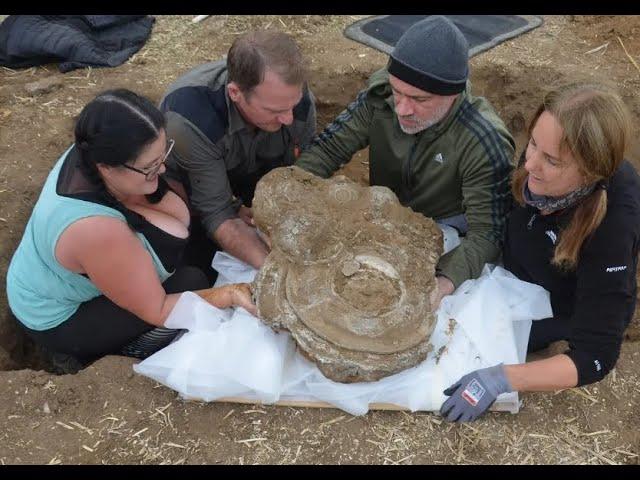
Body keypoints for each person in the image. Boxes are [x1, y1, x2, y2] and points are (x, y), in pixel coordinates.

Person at [6, 89, 256, 374]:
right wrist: (230, 294)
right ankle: (101, 354)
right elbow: (158, 308)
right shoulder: (96, 230)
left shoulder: (100, 150)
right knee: (190, 281)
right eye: (149, 167)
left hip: (83, 266)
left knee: (203, 249)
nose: (161, 169)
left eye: (164, 155)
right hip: (62, 317)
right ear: (107, 168)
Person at [440, 82, 640, 422]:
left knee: (465, 345)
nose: (530, 164)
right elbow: (519, 190)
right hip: (515, 260)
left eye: (550, 160)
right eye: (532, 143)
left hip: (549, 305)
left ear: (589, 172)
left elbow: (595, 357)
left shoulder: (611, 230)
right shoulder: (544, 154)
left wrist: (502, 378)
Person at [295, 16, 515, 305]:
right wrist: (294, 198)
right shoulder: (382, 95)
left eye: (419, 99)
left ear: (453, 94)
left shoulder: (483, 140)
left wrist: (442, 284)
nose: (401, 108)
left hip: (446, 227)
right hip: (384, 212)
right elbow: (328, 149)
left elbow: (487, 234)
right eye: (397, 92)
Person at [159, 30, 317, 278]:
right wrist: (283, 275)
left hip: (250, 171)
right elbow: (217, 213)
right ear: (235, 93)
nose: (288, 118)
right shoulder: (190, 119)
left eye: (292, 105)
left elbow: (300, 177)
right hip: (193, 189)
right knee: (196, 265)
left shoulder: (294, 99)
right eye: (275, 110)